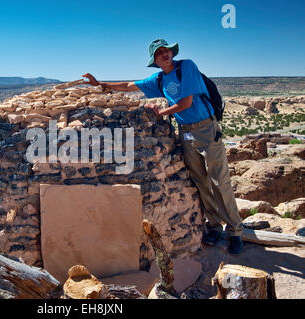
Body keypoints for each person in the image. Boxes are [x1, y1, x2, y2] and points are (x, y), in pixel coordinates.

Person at [82, 38, 244, 254]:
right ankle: (214, 226)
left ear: (172, 52)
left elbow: (186, 102)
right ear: (155, 60)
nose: (164, 54)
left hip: (206, 129)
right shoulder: (159, 79)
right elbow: (129, 86)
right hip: (186, 131)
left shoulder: (186, 67)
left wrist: (161, 112)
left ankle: (235, 231)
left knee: (219, 180)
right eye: (159, 53)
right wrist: (99, 83)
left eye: (166, 50)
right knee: (200, 181)